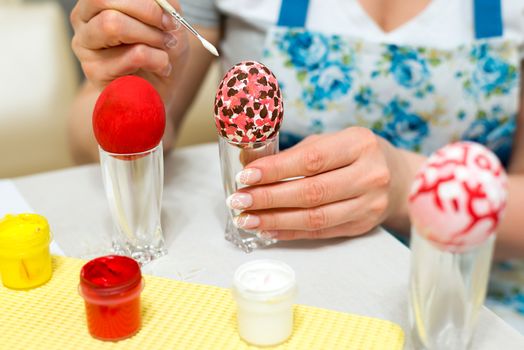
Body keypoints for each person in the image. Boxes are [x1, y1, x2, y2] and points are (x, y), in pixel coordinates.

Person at [69, 0, 524, 331]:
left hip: (464, 299)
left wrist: (410, 188)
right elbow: (80, 136)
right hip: (267, 273)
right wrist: (137, 96)